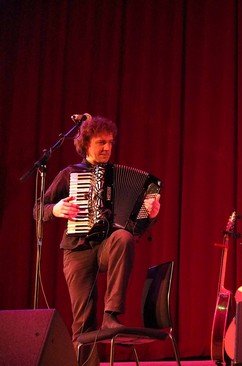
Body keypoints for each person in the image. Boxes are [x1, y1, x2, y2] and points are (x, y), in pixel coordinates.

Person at [35, 115, 161, 365]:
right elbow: (39, 207)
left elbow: (136, 226)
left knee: (124, 237)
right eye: (101, 142)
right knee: (82, 321)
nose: (107, 148)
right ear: (85, 144)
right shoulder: (70, 174)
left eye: (110, 143)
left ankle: (111, 314)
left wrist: (152, 216)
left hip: (106, 247)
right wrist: (55, 209)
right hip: (77, 250)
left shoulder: (116, 175)